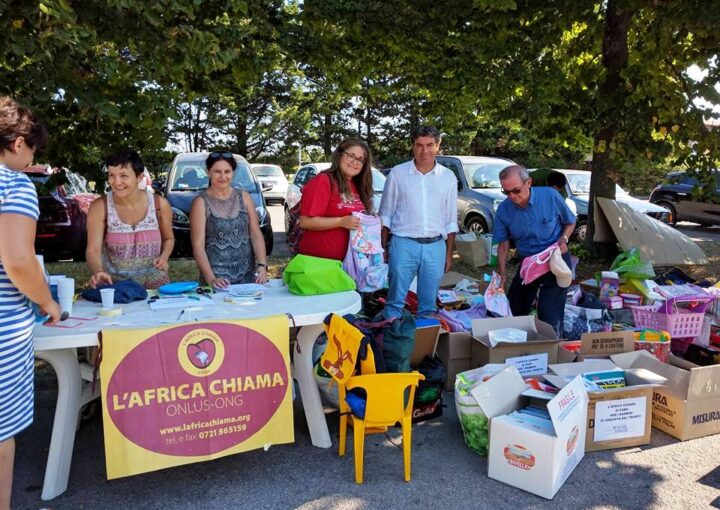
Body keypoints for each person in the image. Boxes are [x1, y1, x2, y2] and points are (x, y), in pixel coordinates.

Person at [0, 96, 61, 510]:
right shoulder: (15, 185)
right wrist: (47, 301)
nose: (31, 161)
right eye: (32, 150)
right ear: (19, 143)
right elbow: (19, 262)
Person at [379, 126, 458, 319]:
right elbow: (386, 214)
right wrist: (383, 248)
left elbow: (450, 220)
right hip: (403, 244)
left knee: (428, 306)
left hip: (435, 247)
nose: (425, 151)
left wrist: (448, 254)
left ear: (438, 146)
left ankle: (424, 337)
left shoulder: (448, 177)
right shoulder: (398, 174)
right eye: (419, 145)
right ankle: (392, 335)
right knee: (395, 302)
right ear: (412, 146)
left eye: (430, 145)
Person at [493, 165, 576, 334]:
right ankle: (516, 344)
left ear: (528, 183)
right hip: (529, 262)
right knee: (514, 308)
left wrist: (564, 238)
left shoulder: (550, 196)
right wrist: (502, 272)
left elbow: (570, 221)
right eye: (506, 192)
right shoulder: (504, 209)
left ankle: (552, 345)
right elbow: (503, 245)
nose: (512, 196)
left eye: (516, 190)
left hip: (555, 259)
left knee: (549, 316)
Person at [86, 150, 174, 289]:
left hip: (157, 289)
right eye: (111, 175)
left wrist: (164, 257)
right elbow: (93, 250)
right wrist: (99, 272)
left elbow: (169, 238)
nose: (116, 182)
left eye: (124, 175)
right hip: (116, 289)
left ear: (139, 177)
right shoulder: (100, 207)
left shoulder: (159, 204)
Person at [190, 151, 268, 288]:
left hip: (248, 277)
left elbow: (256, 233)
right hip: (218, 280)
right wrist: (211, 279)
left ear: (233, 172)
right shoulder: (200, 202)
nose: (223, 176)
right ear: (208, 172)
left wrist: (262, 265)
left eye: (227, 171)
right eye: (217, 172)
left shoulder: (244, 197)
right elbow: (198, 245)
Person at [297, 139, 374, 261]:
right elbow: (306, 222)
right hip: (320, 262)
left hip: (351, 263)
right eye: (351, 156)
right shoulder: (323, 180)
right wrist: (341, 222)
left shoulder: (358, 186)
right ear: (340, 155)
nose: (355, 162)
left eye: (360, 159)